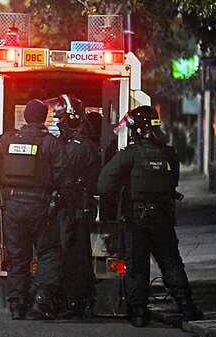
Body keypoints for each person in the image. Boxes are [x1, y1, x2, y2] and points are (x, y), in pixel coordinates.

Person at [97, 105, 203, 327]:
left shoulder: (129, 155)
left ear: (136, 129)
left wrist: (117, 201)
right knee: (172, 263)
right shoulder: (169, 154)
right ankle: (187, 306)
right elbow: (172, 182)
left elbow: (104, 184)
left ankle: (138, 312)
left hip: (136, 220)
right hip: (163, 218)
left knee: (137, 266)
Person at [0, 99, 64, 320]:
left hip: (12, 207)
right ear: (44, 117)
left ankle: (17, 306)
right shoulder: (51, 143)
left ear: (26, 117)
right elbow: (62, 178)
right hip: (41, 207)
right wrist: (57, 203)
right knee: (48, 254)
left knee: (18, 257)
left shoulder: (7, 141)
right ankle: (41, 303)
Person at [49, 95, 99, 318]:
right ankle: (76, 300)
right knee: (75, 255)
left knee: (73, 257)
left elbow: (61, 173)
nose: (56, 122)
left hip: (74, 208)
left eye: (60, 117)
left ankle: (73, 303)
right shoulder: (75, 143)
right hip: (74, 208)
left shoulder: (77, 146)